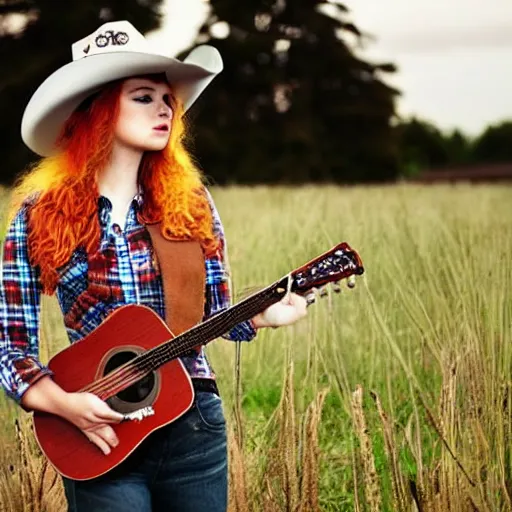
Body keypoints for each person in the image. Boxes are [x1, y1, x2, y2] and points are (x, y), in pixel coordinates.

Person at [0, 20, 307, 512]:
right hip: (100, 430)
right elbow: (10, 341)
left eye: (168, 99)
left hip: (193, 424)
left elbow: (215, 315)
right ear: (98, 111)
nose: (165, 107)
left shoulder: (190, 204)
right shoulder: (40, 214)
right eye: (143, 96)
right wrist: (65, 405)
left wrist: (263, 314)